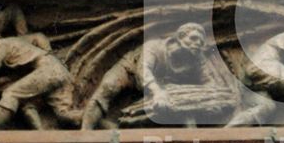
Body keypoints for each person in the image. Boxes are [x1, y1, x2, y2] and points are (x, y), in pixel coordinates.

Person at [81, 23, 235, 129]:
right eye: (193, 38)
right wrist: (157, 92)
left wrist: (209, 99)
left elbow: (208, 82)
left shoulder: (197, 58)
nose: (197, 44)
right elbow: (143, 71)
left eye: (201, 42)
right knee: (108, 87)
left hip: (166, 88)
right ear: (179, 38)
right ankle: (85, 132)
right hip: (131, 70)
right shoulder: (154, 47)